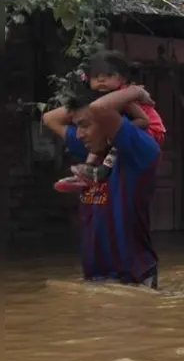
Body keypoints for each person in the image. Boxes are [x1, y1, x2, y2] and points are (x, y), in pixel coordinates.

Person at [41, 84, 161, 287]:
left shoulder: (139, 150)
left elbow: (100, 108)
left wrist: (137, 92)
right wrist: (83, 105)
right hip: (96, 281)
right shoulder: (93, 149)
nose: (78, 134)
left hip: (134, 283)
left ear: (110, 122)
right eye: (77, 125)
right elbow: (50, 118)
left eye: (85, 125)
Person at [53, 50, 166, 193]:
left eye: (108, 75)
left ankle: (101, 170)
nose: (101, 80)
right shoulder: (103, 98)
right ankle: (87, 171)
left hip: (151, 131)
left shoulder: (123, 96)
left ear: (123, 79)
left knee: (110, 135)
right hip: (134, 129)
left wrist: (116, 132)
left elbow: (144, 121)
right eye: (96, 77)